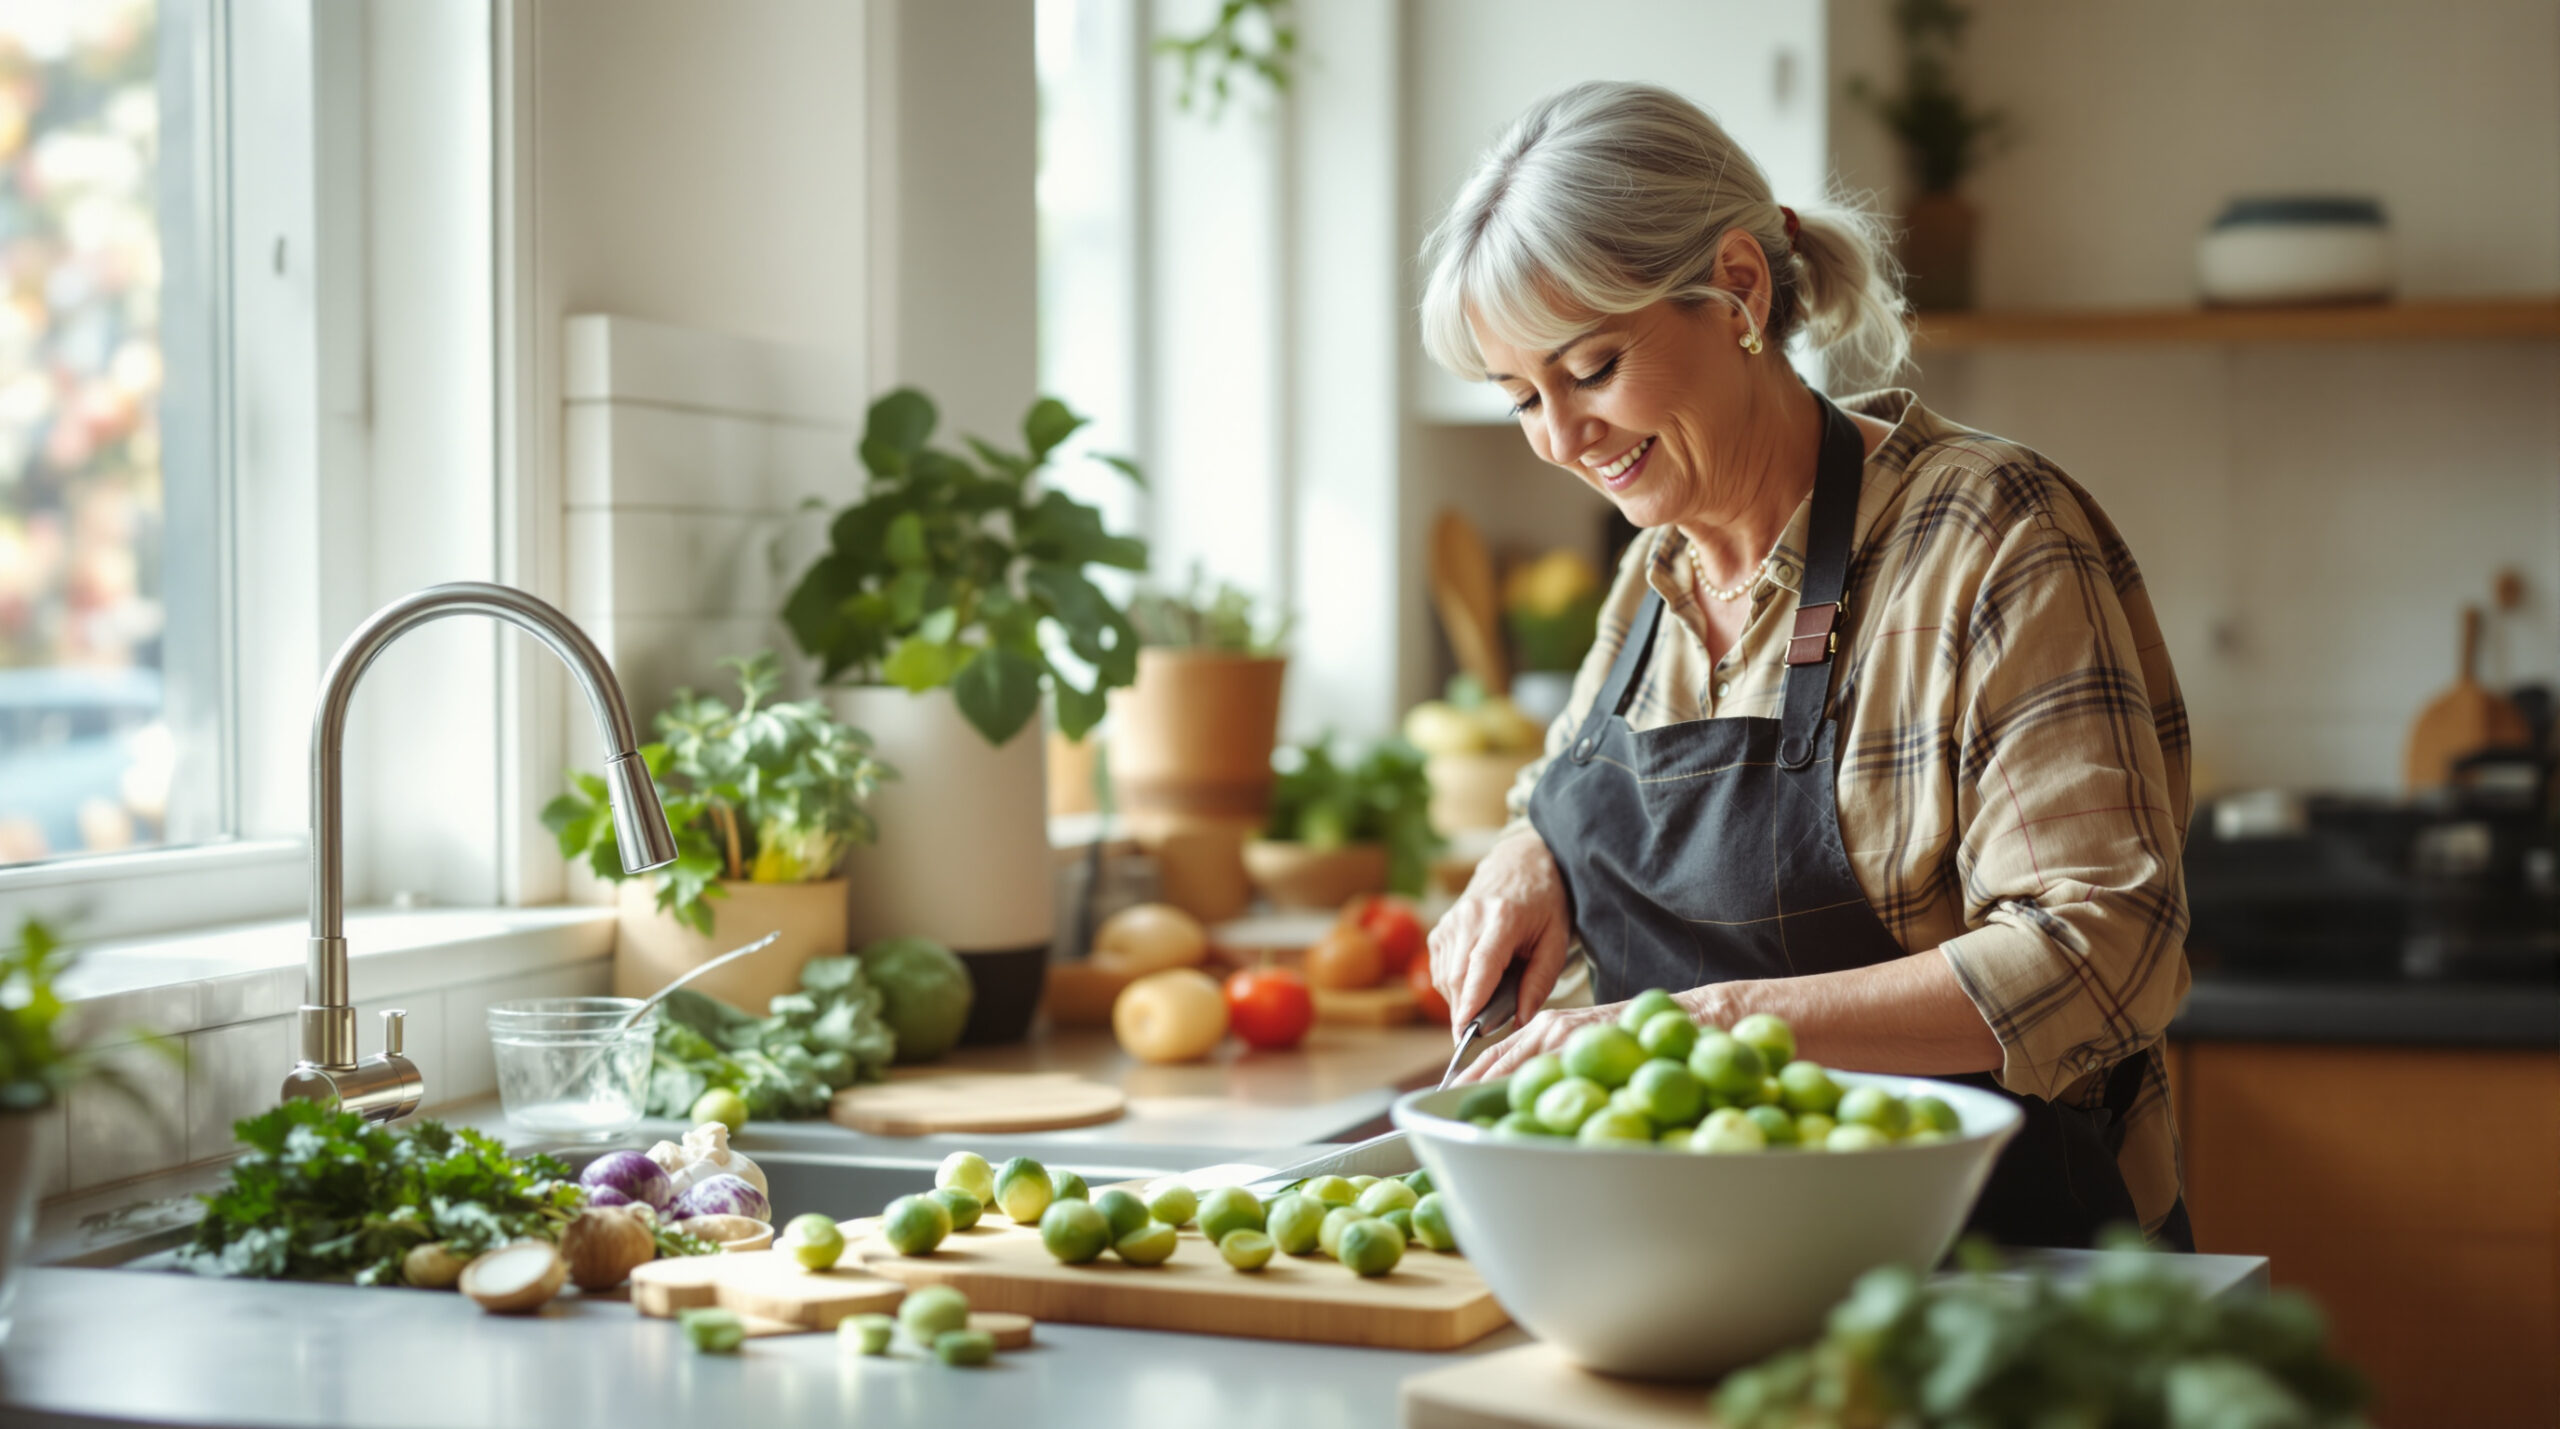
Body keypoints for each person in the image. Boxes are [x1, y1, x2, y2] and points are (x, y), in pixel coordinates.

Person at [1420, 81, 2193, 1249]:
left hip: (1983, 1273)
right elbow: (1573, 799)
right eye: (1522, 396)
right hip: (1690, 1264)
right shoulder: (1649, 580)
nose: (1562, 441)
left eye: (1591, 369)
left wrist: (1711, 1023)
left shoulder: (1987, 534)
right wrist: (1529, 853)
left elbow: (2102, 952)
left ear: (1737, 288)